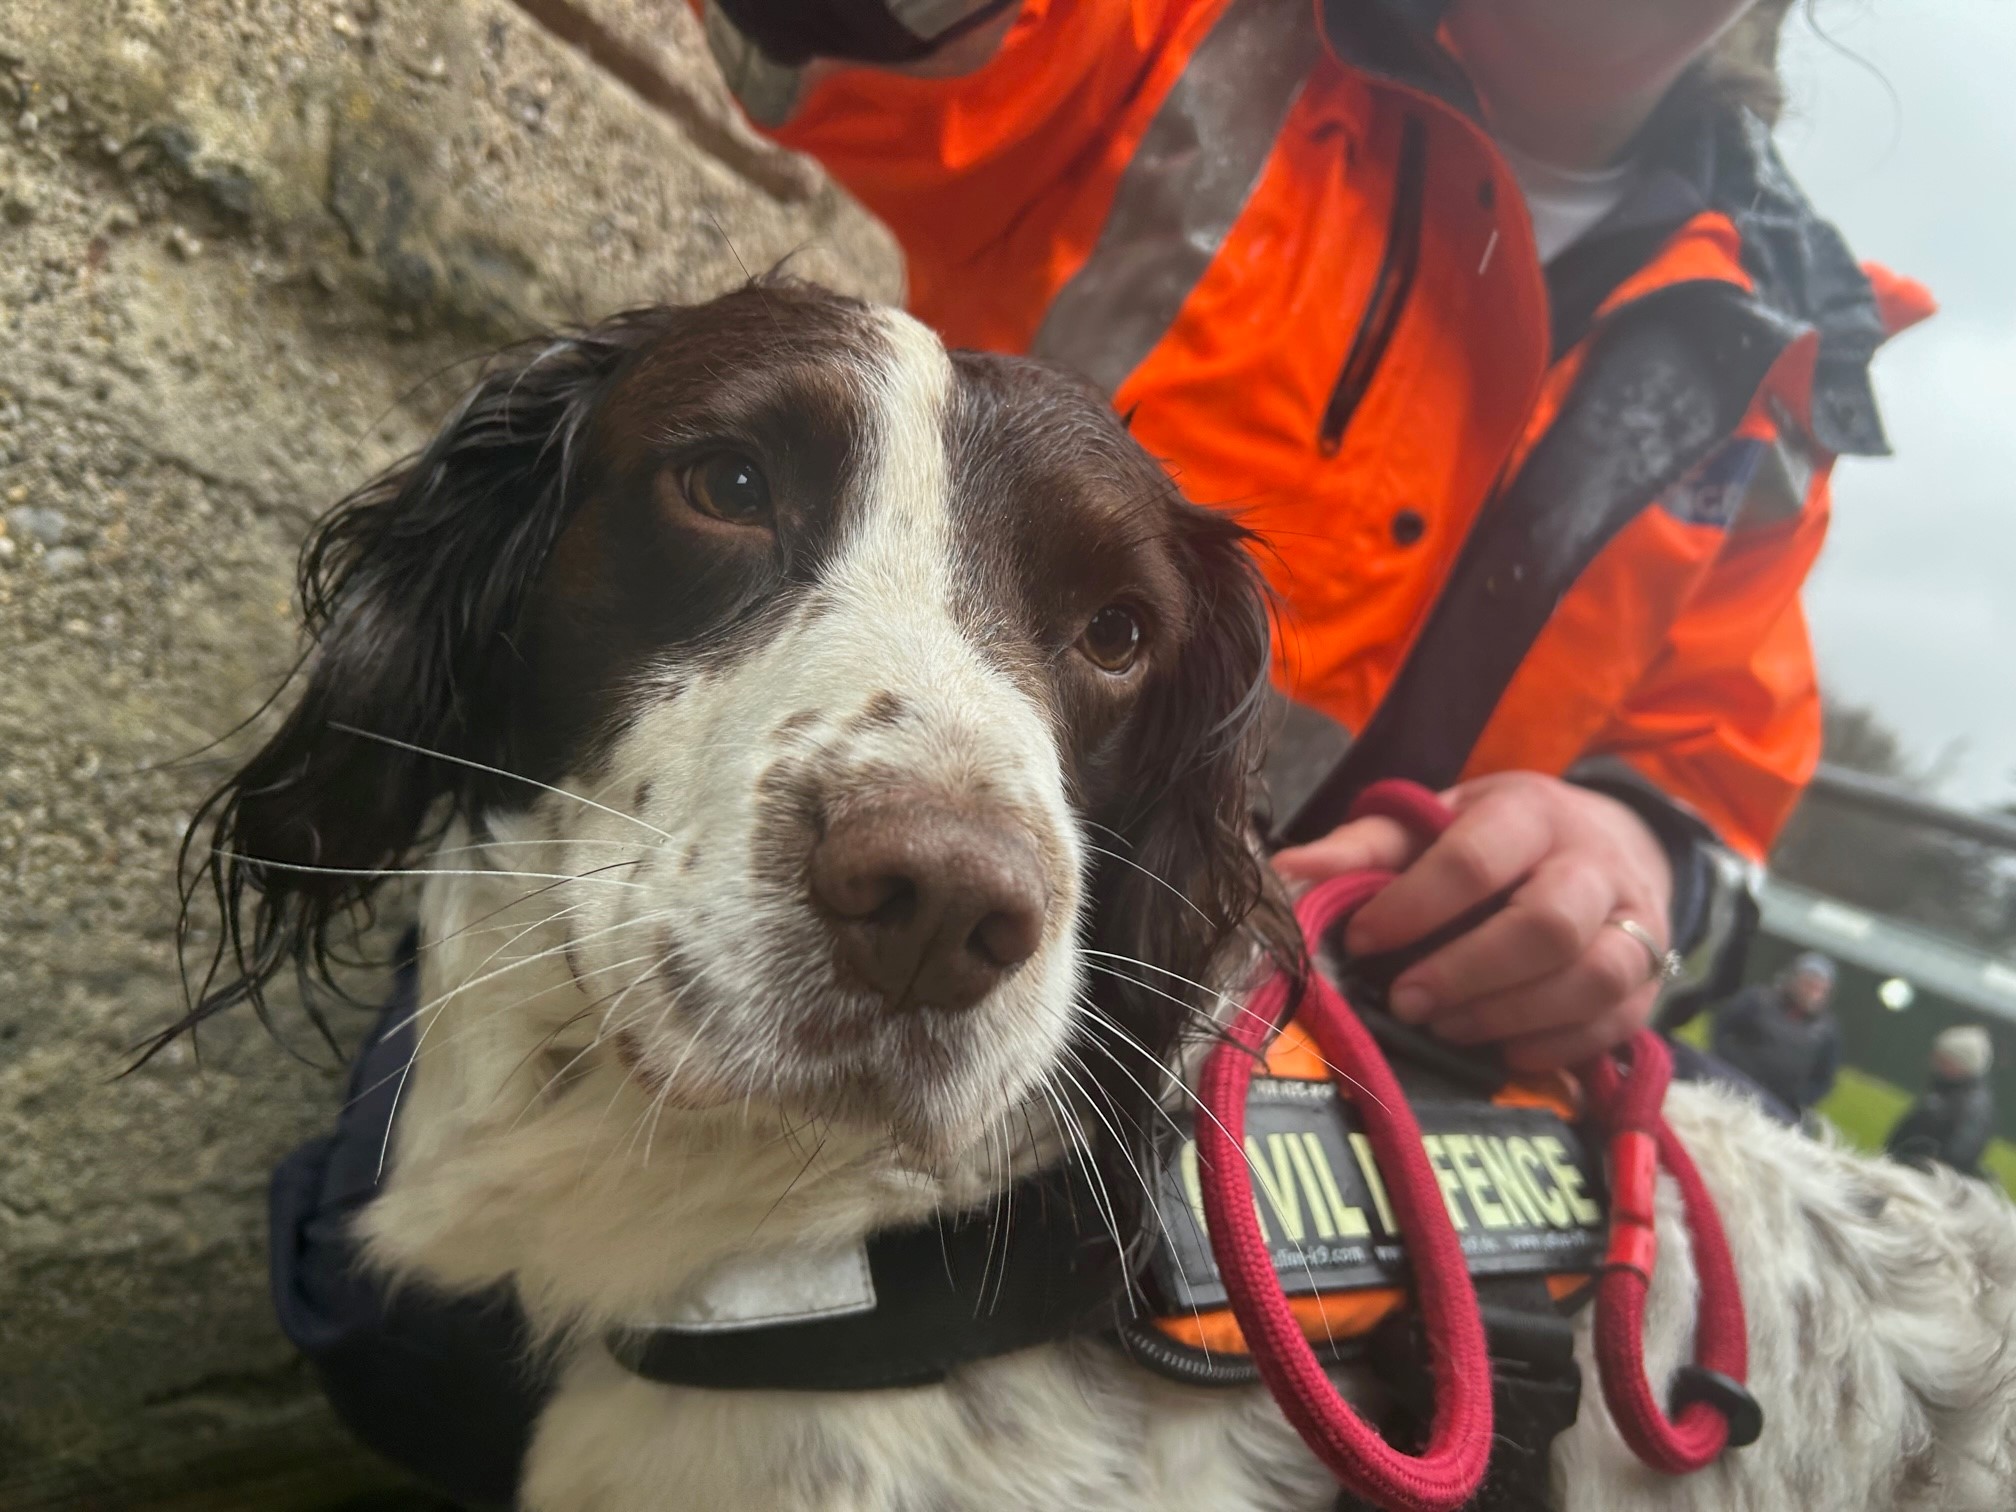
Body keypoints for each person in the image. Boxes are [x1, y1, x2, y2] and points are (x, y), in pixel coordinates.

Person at [272, 3, 1931, 1503]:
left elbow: (1716, 769)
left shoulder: (1786, 356)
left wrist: (1623, 860)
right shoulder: (1166, 33)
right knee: (410, 1324)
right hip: (957, 859)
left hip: (1345, 967)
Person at [1708, 950, 1842, 1118]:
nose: (1812, 993)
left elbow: (1824, 1079)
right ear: (1794, 979)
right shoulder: (1759, 999)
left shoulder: (1826, 1030)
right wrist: (1724, 1060)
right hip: (1731, 1085)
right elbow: (1722, 1025)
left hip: (1777, 1107)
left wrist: (1797, 1099)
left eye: (1819, 989)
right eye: (1808, 984)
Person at [1888, 1025, 1999, 1180]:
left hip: (1919, 1182)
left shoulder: (1970, 1106)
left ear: (1961, 1063)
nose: (1934, 1063)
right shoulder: (1948, 1094)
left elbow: (1956, 1157)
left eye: (1944, 1059)